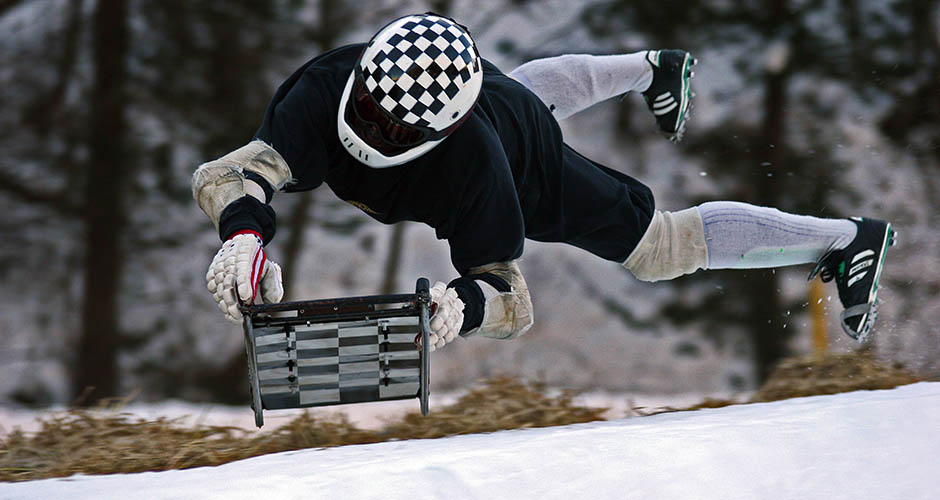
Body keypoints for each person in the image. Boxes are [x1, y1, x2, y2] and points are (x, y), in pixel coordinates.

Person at [194, 13, 895, 351]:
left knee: (659, 249)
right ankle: (654, 65)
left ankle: (849, 239)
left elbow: (509, 299)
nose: (374, 136)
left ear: (439, 136)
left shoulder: (480, 168)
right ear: (363, 74)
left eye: (398, 132)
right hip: (489, 98)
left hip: (524, 154)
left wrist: (460, 308)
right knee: (516, 87)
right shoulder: (323, 87)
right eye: (372, 113)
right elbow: (234, 173)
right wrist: (243, 239)